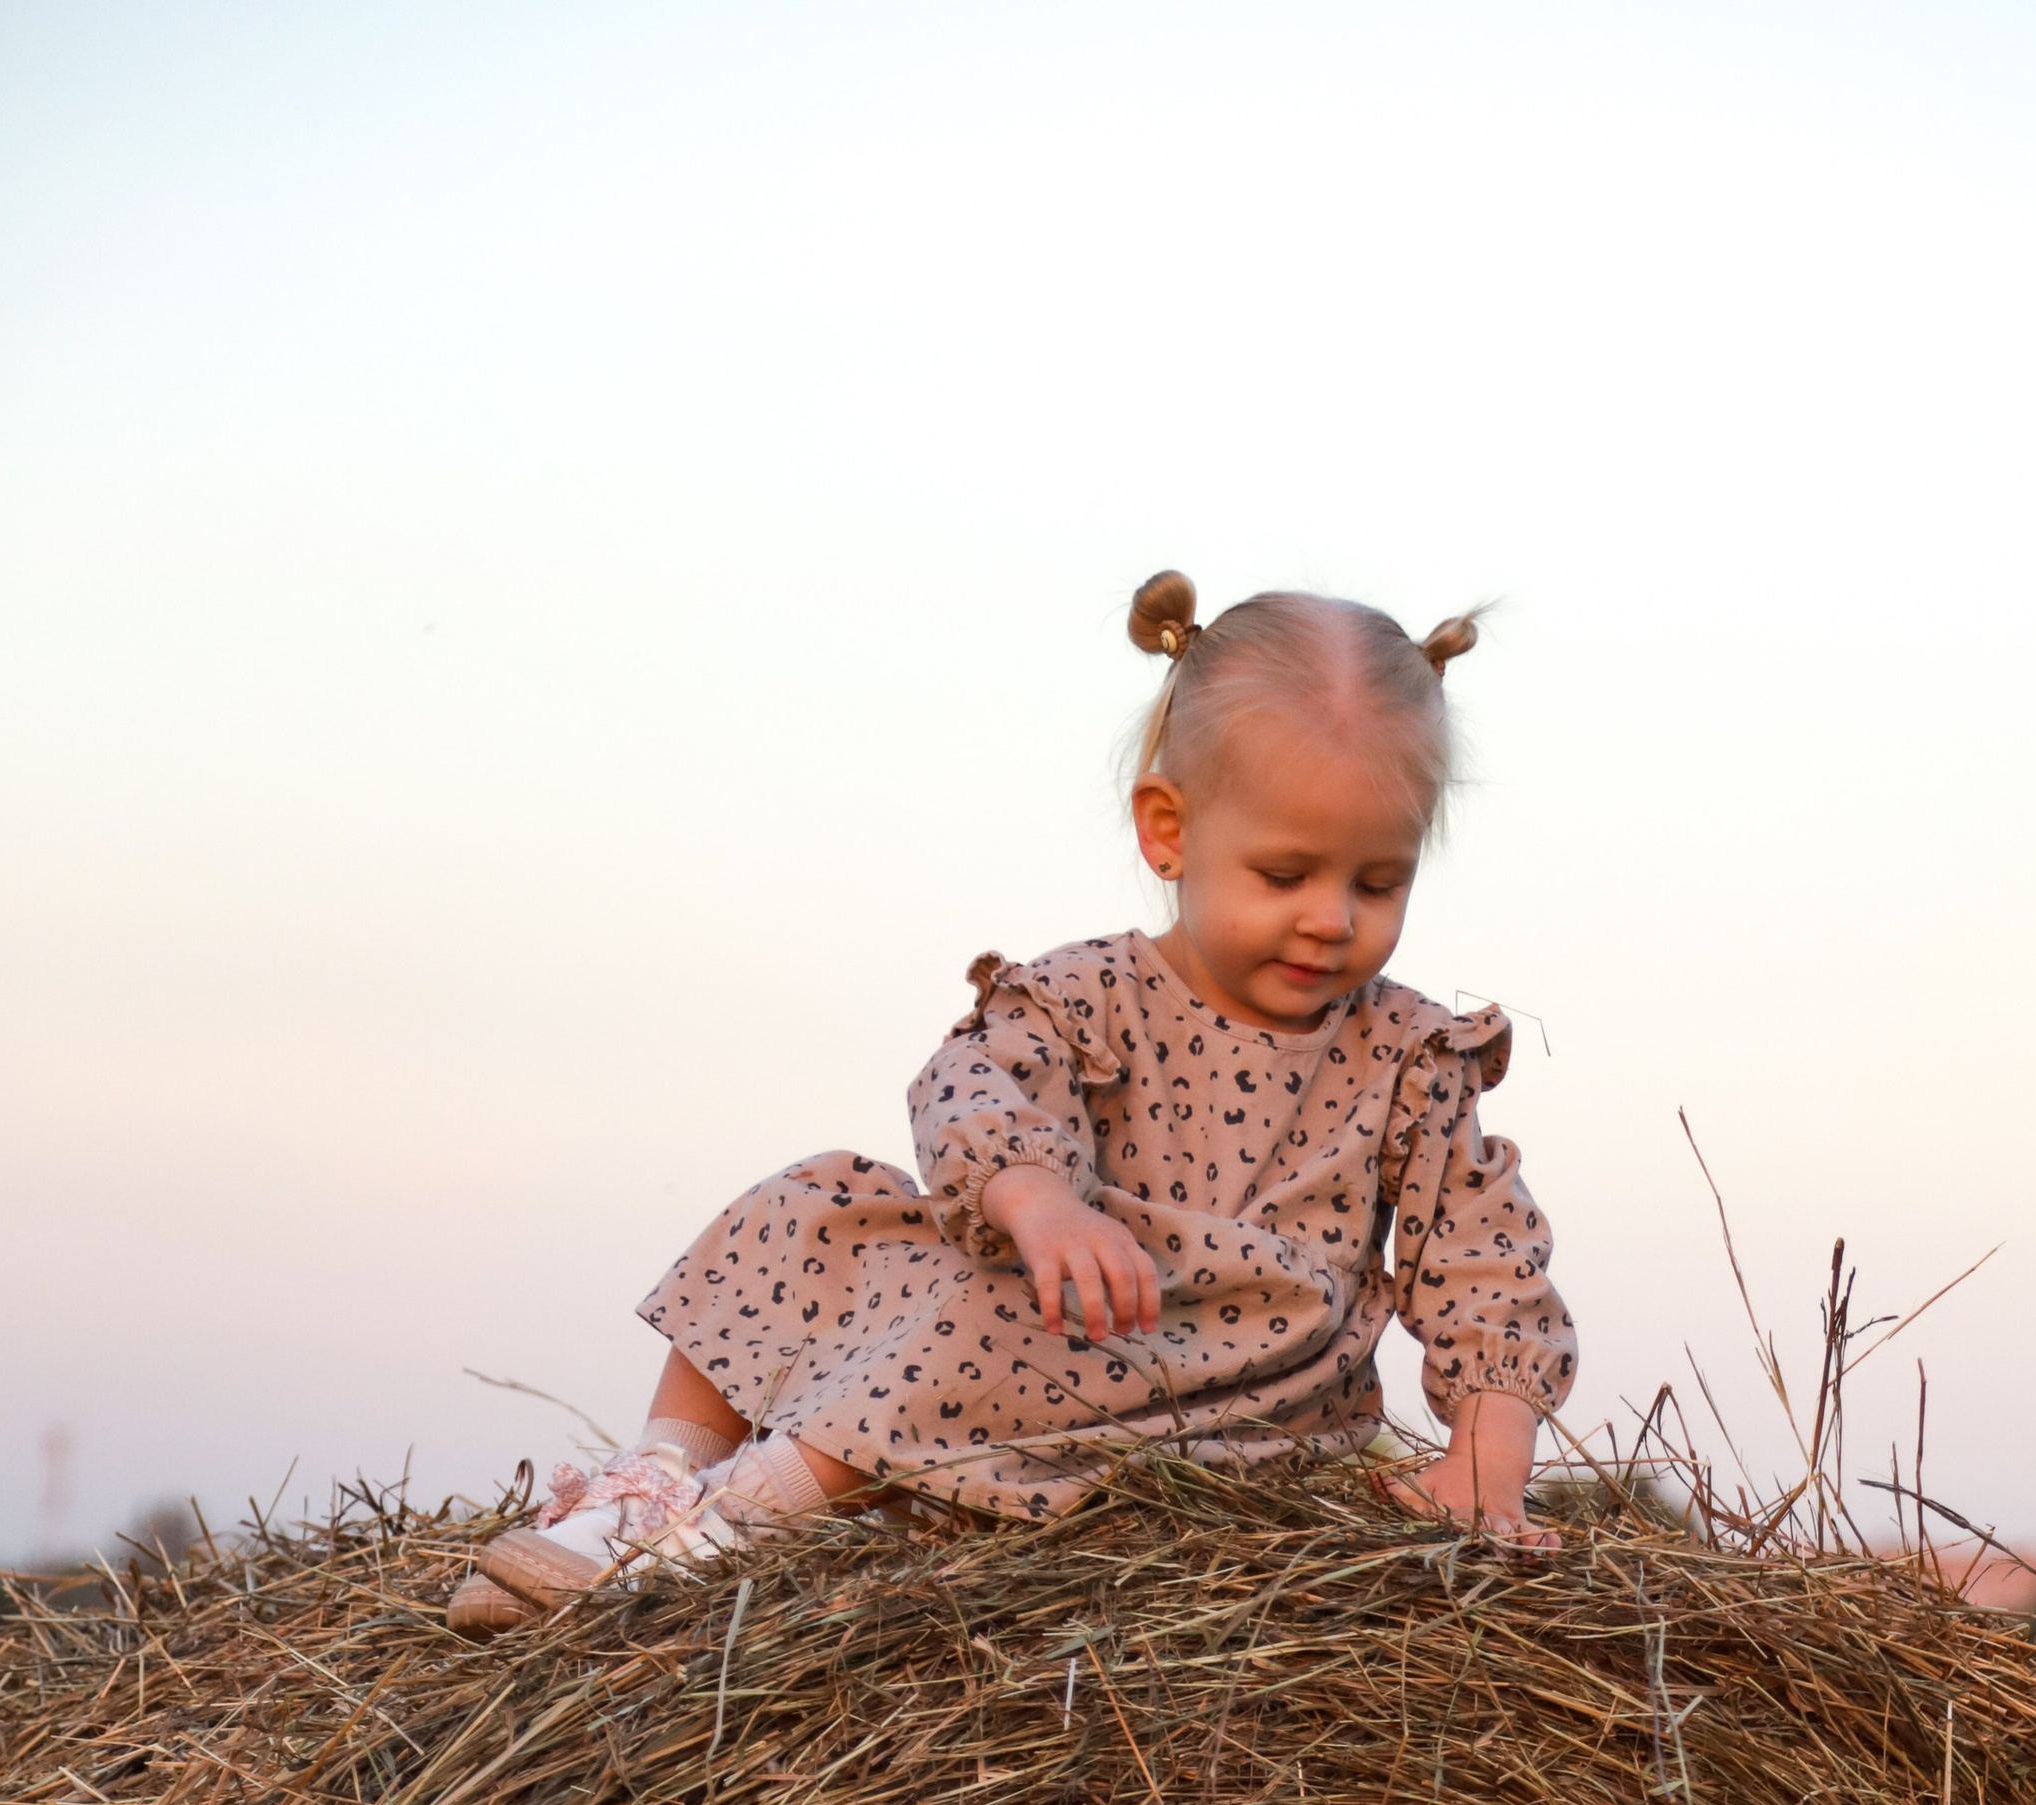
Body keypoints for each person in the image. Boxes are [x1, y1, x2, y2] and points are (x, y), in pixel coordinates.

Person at [448, 571, 1578, 1633]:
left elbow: (1485, 1267)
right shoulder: (1086, 995)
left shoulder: (1407, 1057)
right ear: (1169, 831)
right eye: (1285, 875)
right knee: (813, 1201)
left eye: (1377, 883)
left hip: (1245, 1409)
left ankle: (727, 1532)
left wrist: (1486, 1467)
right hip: (1067, 1321)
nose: (1331, 919)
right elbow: (972, 1085)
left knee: (981, 1315)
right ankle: (658, 1479)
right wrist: (1034, 1198)